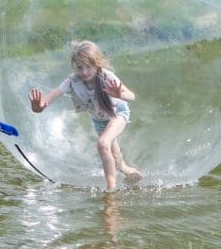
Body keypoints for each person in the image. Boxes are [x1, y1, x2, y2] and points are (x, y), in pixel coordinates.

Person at [29, 40, 141, 190]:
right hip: (100, 121)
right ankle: (132, 173)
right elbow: (44, 103)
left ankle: (111, 192)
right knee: (118, 163)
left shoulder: (106, 77)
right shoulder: (72, 82)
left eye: (89, 67)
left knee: (102, 144)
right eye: (80, 67)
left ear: (97, 64)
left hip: (117, 113)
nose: (84, 72)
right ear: (74, 66)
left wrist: (120, 94)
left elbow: (132, 96)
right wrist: (37, 106)